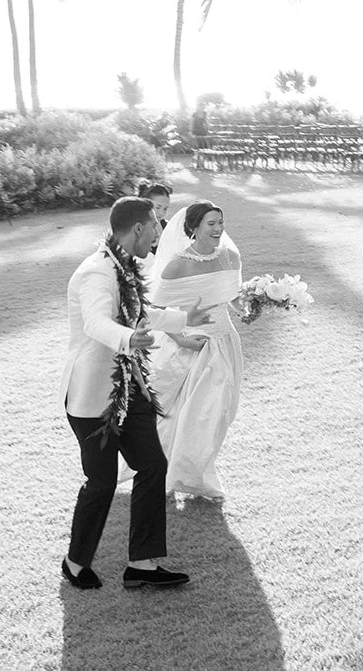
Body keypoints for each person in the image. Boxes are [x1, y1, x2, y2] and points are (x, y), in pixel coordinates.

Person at [61, 197, 215, 590]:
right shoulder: (97, 272)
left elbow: (139, 313)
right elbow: (97, 323)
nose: (160, 233)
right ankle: (75, 562)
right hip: (93, 397)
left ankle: (142, 565)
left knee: (151, 466)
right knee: (101, 482)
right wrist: (131, 338)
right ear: (138, 230)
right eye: (155, 226)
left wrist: (183, 318)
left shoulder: (125, 267)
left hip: (130, 391)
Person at [145, 200, 245, 500]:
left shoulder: (230, 256)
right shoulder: (177, 264)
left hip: (224, 343)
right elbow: (156, 310)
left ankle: (191, 472)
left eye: (220, 222)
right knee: (189, 416)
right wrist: (182, 340)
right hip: (189, 346)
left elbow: (234, 299)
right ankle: (185, 476)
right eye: (210, 223)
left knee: (217, 415)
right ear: (194, 227)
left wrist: (252, 307)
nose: (218, 229)